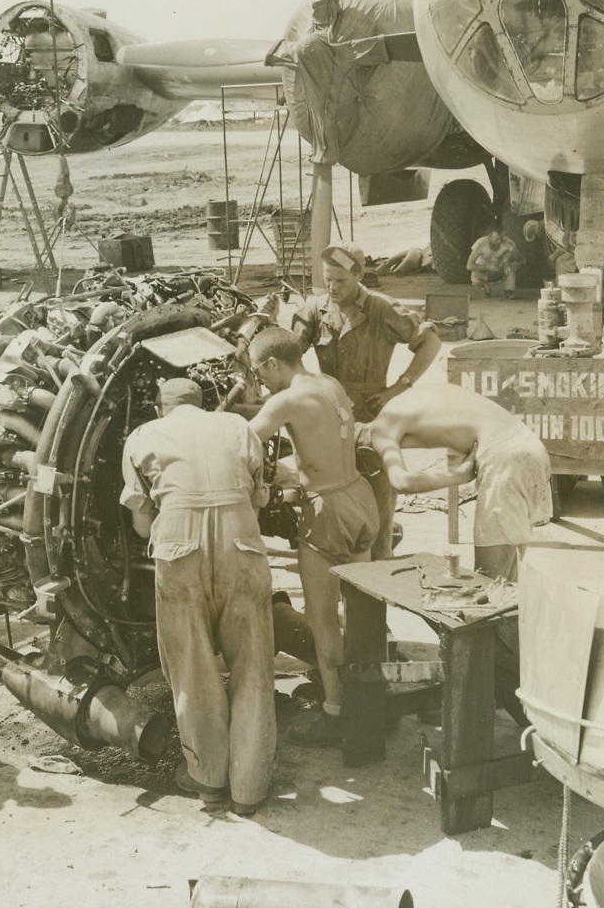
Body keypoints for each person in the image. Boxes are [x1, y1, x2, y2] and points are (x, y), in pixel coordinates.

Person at [120, 376, 275, 816]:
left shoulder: (142, 436)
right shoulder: (238, 428)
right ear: (203, 403)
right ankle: (250, 789)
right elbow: (258, 497)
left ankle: (208, 781)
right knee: (253, 662)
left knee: (193, 666)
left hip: (178, 544)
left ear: (159, 405)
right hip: (242, 541)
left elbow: (142, 526)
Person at [248, 325, 379, 748]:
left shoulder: (285, 400)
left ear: (273, 363)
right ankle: (367, 702)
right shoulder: (329, 383)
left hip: (328, 512)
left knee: (322, 620)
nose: (259, 381)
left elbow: (241, 443)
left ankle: (337, 715)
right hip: (359, 497)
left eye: (259, 372)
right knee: (359, 611)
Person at [291, 242, 441, 559]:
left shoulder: (382, 309)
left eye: (341, 281)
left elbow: (430, 341)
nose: (332, 287)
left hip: (374, 420)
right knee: (333, 504)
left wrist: (399, 387)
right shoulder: (314, 310)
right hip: (329, 421)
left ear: (359, 275)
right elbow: (288, 355)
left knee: (380, 505)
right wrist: (310, 387)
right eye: (327, 279)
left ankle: (379, 568)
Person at [362, 380, 552, 582]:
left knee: (486, 586)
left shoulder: (380, 430)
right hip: (529, 446)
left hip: (506, 462)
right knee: (507, 585)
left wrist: (459, 476)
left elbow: (401, 482)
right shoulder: (405, 401)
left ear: (361, 451)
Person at [466, 227, 523, 298]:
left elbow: (522, 259)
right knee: (475, 277)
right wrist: (488, 267)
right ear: (489, 236)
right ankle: (485, 288)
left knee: (509, 264)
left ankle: (509, 290)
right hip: (483, 271)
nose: (499, 242)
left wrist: (517, 264)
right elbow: (469, 266)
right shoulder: (480, 243)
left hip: (499, 270)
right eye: (496, 240)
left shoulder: (507, 242)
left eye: (501, 239)